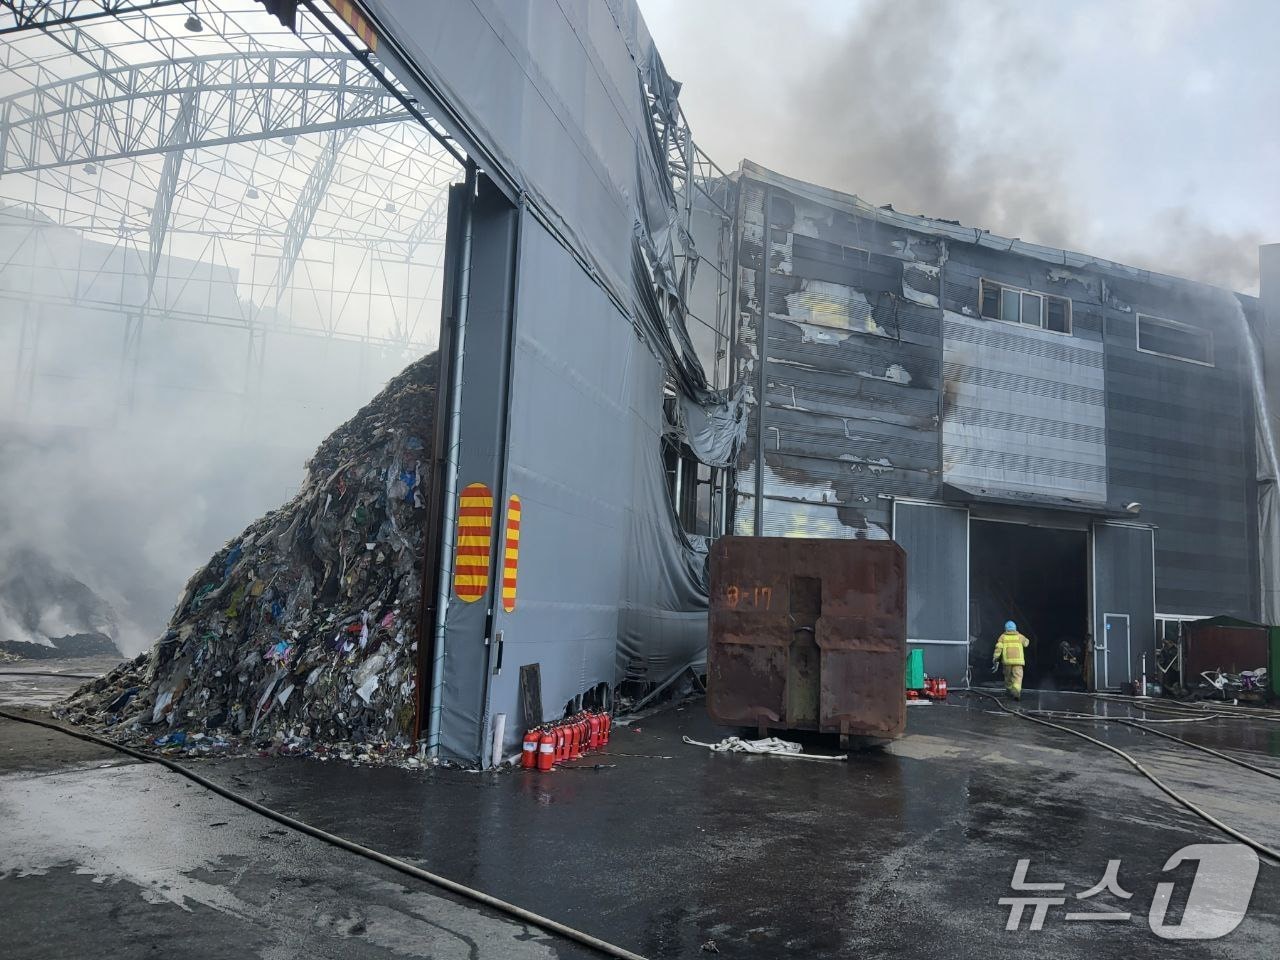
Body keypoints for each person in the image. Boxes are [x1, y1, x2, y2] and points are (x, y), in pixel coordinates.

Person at [992, 620, 1030, 700]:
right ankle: (1016, 689)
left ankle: (1009, 690)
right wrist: (1025, 640)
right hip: (1018, 662)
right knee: (1018, 677)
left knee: (1008, 677)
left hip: (1007, 662)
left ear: (1005, 629)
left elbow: (998, 648)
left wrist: (995, 657)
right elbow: (1026, 643)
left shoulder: (1002, 637)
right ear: (1015, 628)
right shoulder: (1020, 636)